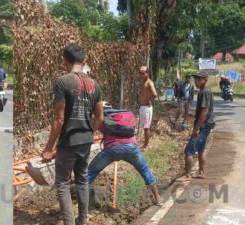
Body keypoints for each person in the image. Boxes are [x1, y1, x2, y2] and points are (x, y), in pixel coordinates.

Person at [41, 44, 103, 225]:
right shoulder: (95, 84)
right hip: (85, 141)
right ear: (84, 61)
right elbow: (99, 117)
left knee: (62, 183)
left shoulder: (62, 82)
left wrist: (48, 148)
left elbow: (59, 119)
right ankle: (83, 220)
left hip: (68, 141)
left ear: (65, 61)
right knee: (82, 180)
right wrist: (89, 133)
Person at [87, 108, 163, 206]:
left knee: (90, 172)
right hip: (132, 148)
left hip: (112, 149)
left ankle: (83, 204)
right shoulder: (127, 115)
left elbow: (95, 128)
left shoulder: (103, 117)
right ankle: (158, 198)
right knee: (144, 170)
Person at [177, 71, 215, 182]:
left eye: (199, 79)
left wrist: (196, 128)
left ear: (205, 79)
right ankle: (202, 172)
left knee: (188, 151)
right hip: (207, 125)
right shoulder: (206, 91)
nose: (197, 81)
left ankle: (187, 174)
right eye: (196, 79)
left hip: (203, 125)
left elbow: (204, 112)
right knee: (201, 149)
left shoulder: (204, 92)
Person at [138, 66, 157, 150]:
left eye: (143, 73)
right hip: (143, 107)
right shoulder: (143, 82)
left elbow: (155, 94)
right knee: (144, 127)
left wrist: (150, 100)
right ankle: (144, 143)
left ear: (147, 73)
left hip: (147, 108)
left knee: (146, 127)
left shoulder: (149, 82)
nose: (141, 75)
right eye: (140, 73)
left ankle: (146, 145)